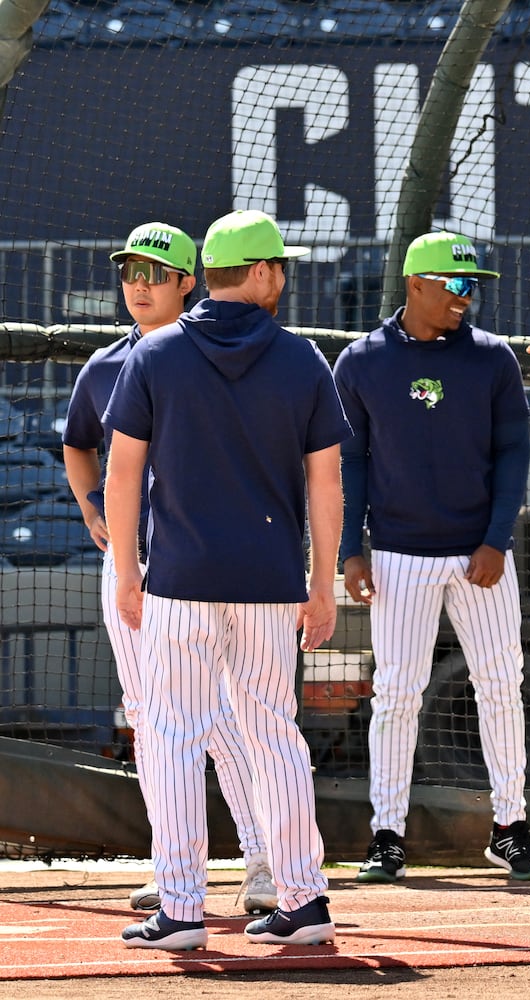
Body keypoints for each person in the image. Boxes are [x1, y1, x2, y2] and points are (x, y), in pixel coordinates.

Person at [104, 210, 350, 950]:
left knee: (175, 738)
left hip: (178, 581)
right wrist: (322, 582)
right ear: (265, 271)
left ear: (208, 275)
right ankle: (303, 900)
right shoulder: (303, 357)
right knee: (274, 737)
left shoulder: (156, 355)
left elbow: (121, 475)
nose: (286, 276)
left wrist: (125, 572)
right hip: (271, 585)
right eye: (282, 266)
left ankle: (180, 910)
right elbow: (327, 484)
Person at [63, 222, 277, 917]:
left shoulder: (217, 355)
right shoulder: (105, 364)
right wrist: (96, 512)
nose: (139, 285)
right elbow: (78, 445)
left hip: (206, 566)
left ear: (190, 281)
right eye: (130, 272)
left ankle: (264, 859)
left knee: (223, 717)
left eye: (156, 273)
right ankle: (173, 865)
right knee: (153, 720)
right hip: (135, 566)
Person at [334, 232, 530, 884]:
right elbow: (351, 462)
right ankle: (386, 836)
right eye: (455, 285)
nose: (466, 296)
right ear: (415, 285)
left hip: (477, 556)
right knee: (397, 695)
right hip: (398, 555)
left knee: (501, 686)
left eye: (471, 285)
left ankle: (509, 828)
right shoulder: (362, 360)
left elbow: (515, 452)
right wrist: (350, 549)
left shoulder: (490, 359)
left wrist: (496, 539)